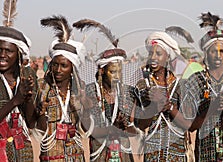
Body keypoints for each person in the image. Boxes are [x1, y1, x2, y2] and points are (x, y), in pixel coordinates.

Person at [182, 12, 223, 161]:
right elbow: (190, 126)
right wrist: (210, 109)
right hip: (206, 151)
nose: (218, 55)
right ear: (206, 53)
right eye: (213, 51)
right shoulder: (196, 80)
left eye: (222, 51)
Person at [72, 18, 136, 162]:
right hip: (100, 155)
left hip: (124, 155)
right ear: (101, 71)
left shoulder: (127, 93)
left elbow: (134, 131)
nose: (117, 76)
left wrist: (126, 126)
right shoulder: (90, 92)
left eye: (119, 71)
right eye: (113, 72)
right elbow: (87, 130)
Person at [34, 15, 89, 161]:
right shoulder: (41, 87)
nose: (58, 70)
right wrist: (41, 113)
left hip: (76, 156)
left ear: (72, 68)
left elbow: (85, 128)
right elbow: (39, 131)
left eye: (64, 65)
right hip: (51, 156)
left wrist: (87, 108)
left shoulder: (80, 89)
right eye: (55, 64)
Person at [134, 31, 192, 162]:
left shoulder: (180, 85)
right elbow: (141, 125)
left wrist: (170, 107)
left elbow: (188, 124)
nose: (153, 57)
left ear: (168, 57)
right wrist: (153, 107)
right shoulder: (142, 86)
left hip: (176, 153)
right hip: (152, 153)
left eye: (158, 54)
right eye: (150, 53)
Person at [0, 0, 37, 161]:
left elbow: (31, 123)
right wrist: (15, 100)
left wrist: (27, 99)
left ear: (18, 55)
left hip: (22, 150)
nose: (2, 55)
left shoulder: (25, 77)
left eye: (8, 51)